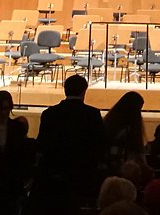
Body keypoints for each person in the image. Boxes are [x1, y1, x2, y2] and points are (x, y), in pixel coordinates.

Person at [35, 74, 107, 208]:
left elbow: (42, 143)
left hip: (54, 173)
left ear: (65, 90)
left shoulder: (49, 113)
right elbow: (100, 145)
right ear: (84, 92)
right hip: (83, 174)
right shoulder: (92, 114)